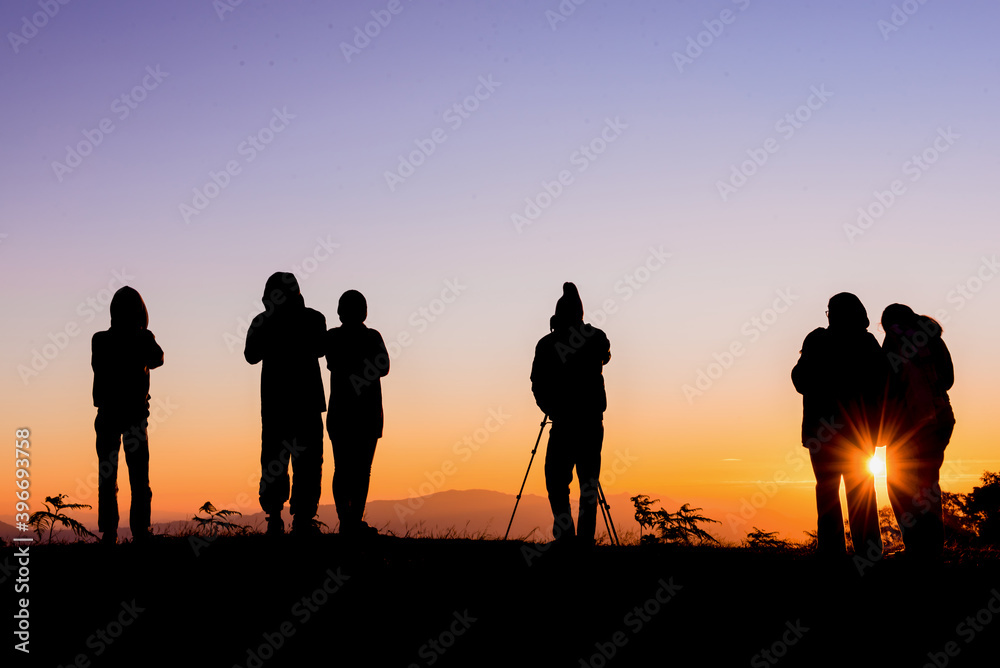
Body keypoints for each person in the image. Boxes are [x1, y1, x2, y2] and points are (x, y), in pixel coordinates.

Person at [791, 292, 886, 559]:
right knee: (861, 490)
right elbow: (881, 384)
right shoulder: (866, 342)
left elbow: (800, 380)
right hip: (858, 431)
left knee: (827, 490)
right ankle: (868, 551)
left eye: (830, 311)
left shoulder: (817, 340)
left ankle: (831, 552)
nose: (829, 315)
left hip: (821, 430)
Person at [244, 273, 326, 536]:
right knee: (308, 463)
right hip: (307, 403)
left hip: (276, 404)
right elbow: (321, 349)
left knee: (274, 460)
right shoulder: (314, 319)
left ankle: (275, 517)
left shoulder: (263, 321)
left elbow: (250, 355)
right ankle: (302, 519)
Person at [530, 282, 611, 547]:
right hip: (589, 423)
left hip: (564, 422)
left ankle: (567, 540)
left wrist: (550, 407)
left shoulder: (547, 344)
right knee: (587, 484)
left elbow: (537, 383)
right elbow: (605, 353)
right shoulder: (595, 338)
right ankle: (584, 541)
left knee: (556, 481)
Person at [880, 304, 955, 561]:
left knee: (899, 485)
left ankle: (915, 548)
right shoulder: (933, 339)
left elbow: (885, 384)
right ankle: (932, 550)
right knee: (927, 484)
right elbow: (948, 379)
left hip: (909, 426)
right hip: (940, 419)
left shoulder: (894, 342)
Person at [92, 286, 164, 545]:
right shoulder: (142, 339)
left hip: (108, 415)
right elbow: (158, 359)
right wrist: (143, 336)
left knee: (107, 476)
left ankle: (110, 533)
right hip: (134, 417)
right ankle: (141, 532)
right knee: (138, 478)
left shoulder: (99, 340)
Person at [324, 290, 388, 537]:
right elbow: (383, 366)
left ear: (340, 312)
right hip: (366, 415)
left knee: (344, 468)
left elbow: (333, 362)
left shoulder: (333, 338)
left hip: (343, 414)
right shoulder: (372, 337)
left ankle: (348, 521)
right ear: (364, 312)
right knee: (361, 470)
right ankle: (351, 521)